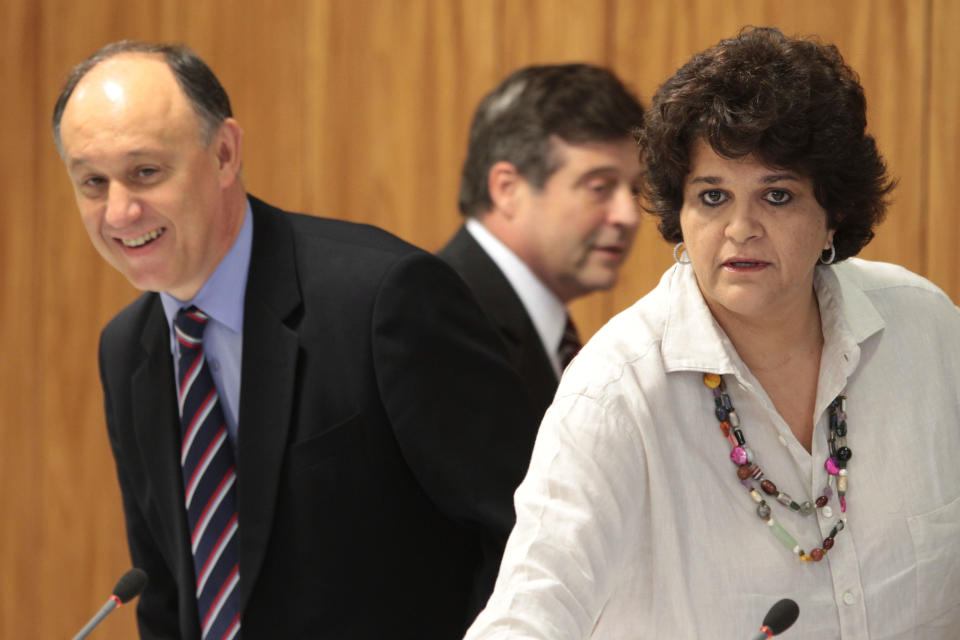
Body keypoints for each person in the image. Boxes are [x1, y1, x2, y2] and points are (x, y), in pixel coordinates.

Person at [466, 27, 960, 639]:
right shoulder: (614, 394)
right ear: (680, 214)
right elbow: (527, 616)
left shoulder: (925, 327)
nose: (740, 228)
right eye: (713, 196)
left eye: (776, 195)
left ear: (833, 213)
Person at [53, 41, 539, 639]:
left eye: (145, 172)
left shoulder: (382, 297)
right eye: (93, 183)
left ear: (225, 153)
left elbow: (530, 533)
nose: (120, 211)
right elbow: (164, 591)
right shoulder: (126, 347)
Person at [438, 64, 644, 419]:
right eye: (600, 187)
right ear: (508, 189)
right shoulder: (444, 321)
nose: (628, 215)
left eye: (636, 189)